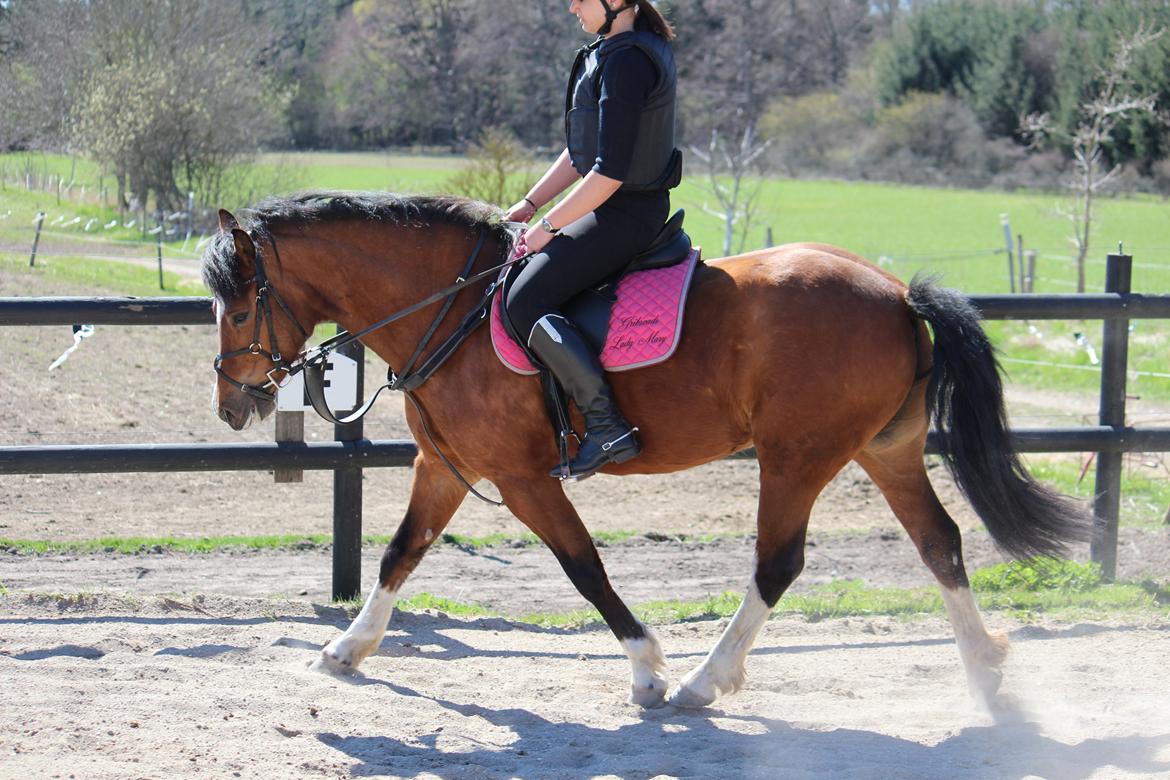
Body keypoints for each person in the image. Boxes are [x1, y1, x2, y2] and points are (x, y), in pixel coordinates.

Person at [503, 0, 681, 481]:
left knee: (523, 302)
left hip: (626, 213)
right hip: (608, 204)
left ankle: (606, 426)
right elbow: (584, 150)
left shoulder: (627, 62)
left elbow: (609, 174)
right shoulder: (613, 50)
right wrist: (530, 202)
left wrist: (547, 228)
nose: (571, 6)